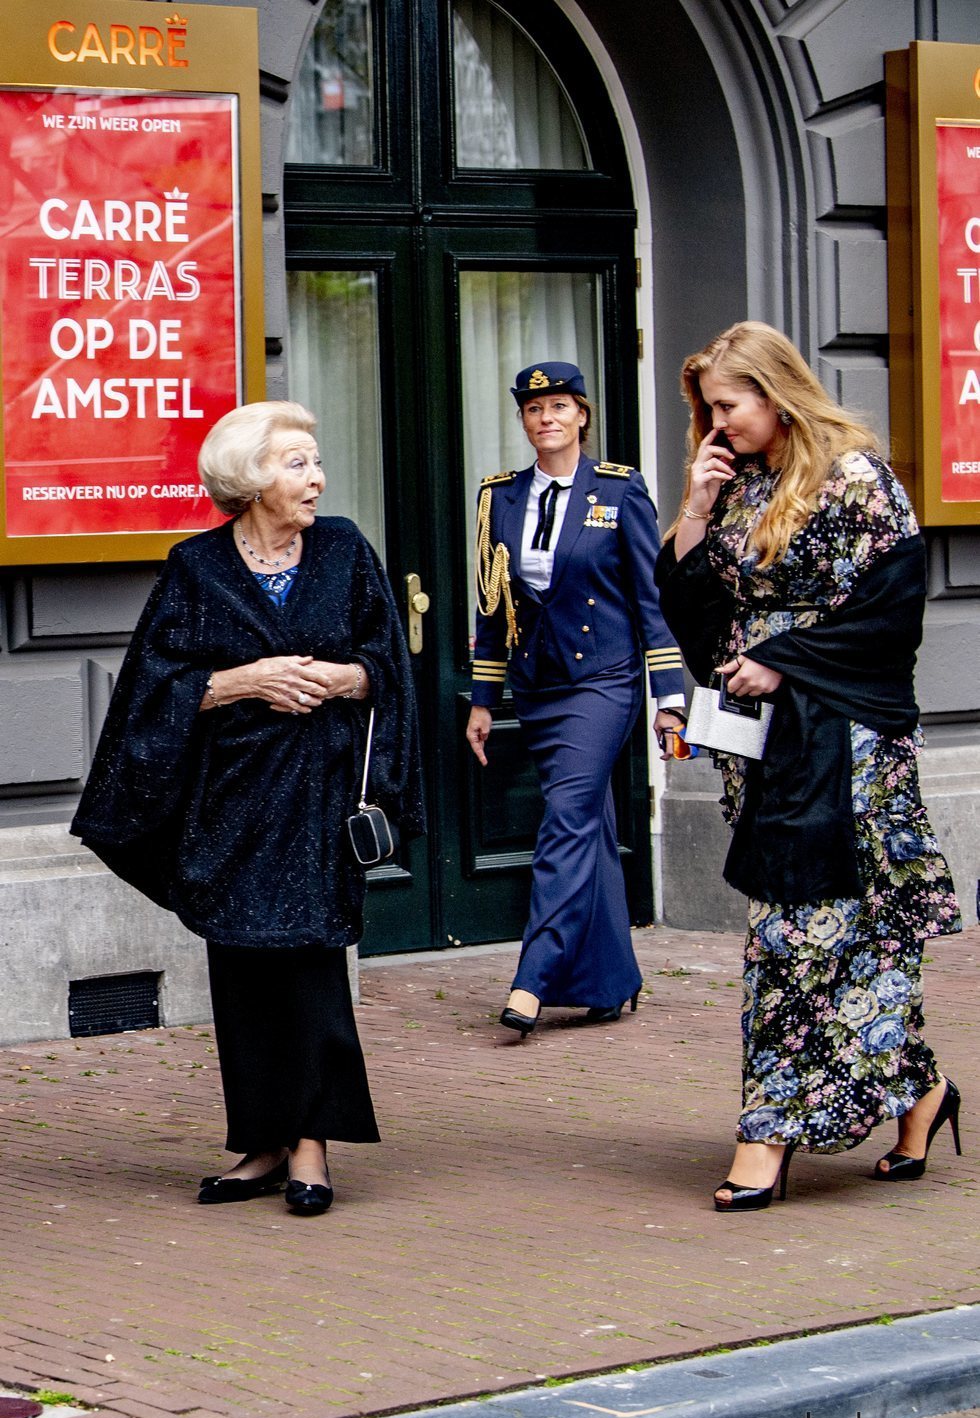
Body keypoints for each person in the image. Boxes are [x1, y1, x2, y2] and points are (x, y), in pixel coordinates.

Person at [71, 402, 424, 1216]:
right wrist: (246, 680)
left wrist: (338, 678)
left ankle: (310, 1146)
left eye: (314, 461)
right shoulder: (196, 566)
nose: (317, 479)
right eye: (297, 463)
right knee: (240, 967)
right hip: (232, 799)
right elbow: (152, 689)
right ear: (251, 477)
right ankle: (262, 1141)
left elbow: (386, 666)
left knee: (309, 962)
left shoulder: (343, 551)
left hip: (320, 792)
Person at [654, 321, 962, 1212]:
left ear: (775, 392)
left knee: (798, 933)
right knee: (837, 933)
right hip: (767, 745)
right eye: (707, 410)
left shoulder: (856, 478)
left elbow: (892, 613)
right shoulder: (738, 484)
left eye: (729, 405)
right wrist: (699, 510)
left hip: (847, 743)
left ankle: (768, 1130)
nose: (717, 423)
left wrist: (786, 657)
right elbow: (692, 611)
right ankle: (923, 1094)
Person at [465, 361, 686, 1037]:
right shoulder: (499, 497)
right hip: (538, 686)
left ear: (581, 415)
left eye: (560, 406)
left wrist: (670, 697)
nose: (546, 419)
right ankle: (611, 981)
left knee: (564, 817)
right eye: (534, 410)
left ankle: (534, 977)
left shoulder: (619, 492)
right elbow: (490, 606)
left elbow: (654, 600)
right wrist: (483, 697)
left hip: (604, 682)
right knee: (588, 825)